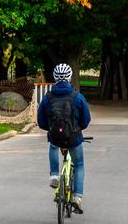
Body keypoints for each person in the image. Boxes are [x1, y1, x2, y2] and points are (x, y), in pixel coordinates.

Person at [37, 63, 91, 214]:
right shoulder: (78, 97)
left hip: (55, 137)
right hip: (73, 138)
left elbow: (41, 122)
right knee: (79, 164)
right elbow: (86, 121)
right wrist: (77, 129)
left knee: (53, 145)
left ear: (55, 77)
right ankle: (77, 197)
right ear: (69, 77)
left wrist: (52, 130)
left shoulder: (47, 98)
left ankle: (54, 175)